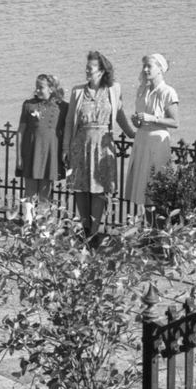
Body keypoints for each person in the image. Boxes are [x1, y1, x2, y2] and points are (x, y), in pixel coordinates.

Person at [63, 50, 123, 247]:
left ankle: (95, 232)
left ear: (101, 71)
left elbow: (119, 112)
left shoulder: (114, 89)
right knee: (80, 188)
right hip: (81, 144)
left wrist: (133, 132)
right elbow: (70, 120)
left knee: (99, 188)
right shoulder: (77, 92)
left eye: (90, 68)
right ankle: (85, 229)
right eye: (86, 67)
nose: (86, 70)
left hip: (103, 145)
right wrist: (65, 148)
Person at [124, 53, 179, 213]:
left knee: (156, 188)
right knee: (143, 190)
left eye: (149, 66)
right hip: (142, 140)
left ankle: (157, 226)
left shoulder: (168, 92)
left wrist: (153, 118)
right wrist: (137, 122)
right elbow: (141, 119)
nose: (145, 69)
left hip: (157, 143)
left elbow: (175, 122)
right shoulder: (142, 90)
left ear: (160, 69)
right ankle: (148, 226)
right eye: (144, 66)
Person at [15, 73, 67, 222]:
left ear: (51, 89)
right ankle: (27, 224)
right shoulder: (28, 104)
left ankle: (43, 227)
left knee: (46, 191)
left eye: (41, 87)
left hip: (51, 153)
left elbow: (68, 130)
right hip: (31, 151)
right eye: (36, 87)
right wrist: (19, 156)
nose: (37, 90)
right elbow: (21, 131)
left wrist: (66, 152)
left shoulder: (63, 107)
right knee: (30, 190)